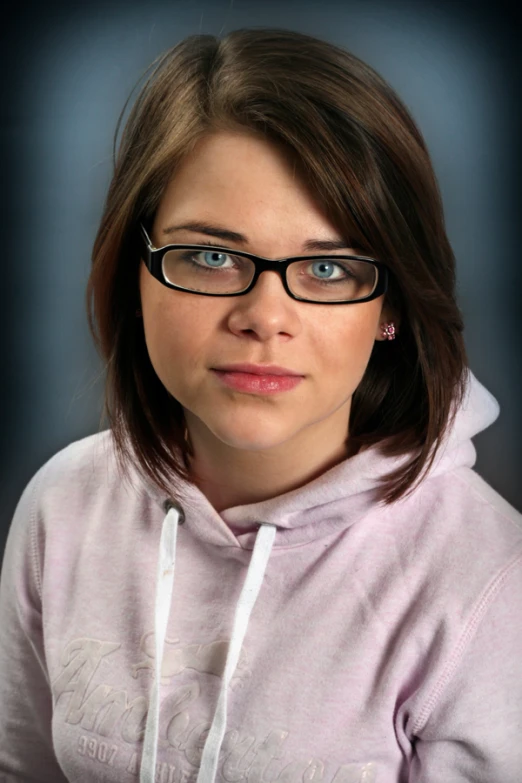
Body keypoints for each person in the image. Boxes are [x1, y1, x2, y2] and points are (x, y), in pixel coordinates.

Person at [0, 26, 521, 783]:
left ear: (392, 307)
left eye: (328, 266)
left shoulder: (489, 578)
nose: (263, 315)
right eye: (211, 256)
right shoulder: (63, 506)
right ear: (134, 274)